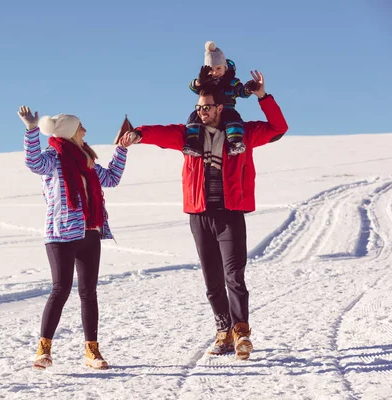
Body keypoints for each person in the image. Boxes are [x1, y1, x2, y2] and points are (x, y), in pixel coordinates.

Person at [119, 71, 288, 360]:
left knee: (234, 276)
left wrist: (262, 96)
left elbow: (278, 127)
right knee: (212, 279)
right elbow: (162, 133)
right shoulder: (189, 135)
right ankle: (223, 332)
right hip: (199, 215)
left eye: (207, 107)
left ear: (221, 108)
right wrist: (138, 134)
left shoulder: (244, 133)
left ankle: (241, 333)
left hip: (229, 214)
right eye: (199, 107)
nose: (202, 112)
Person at [18, 105, 128, 370]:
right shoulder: (52, 158)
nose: (85, 131)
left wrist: (122, 149)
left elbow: (111, 179)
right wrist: (31, 130)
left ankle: (92, 351)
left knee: (89, 293)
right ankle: (43, 350)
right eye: (81, 127)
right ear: (69, 132)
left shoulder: (87, 161)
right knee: (61, 289)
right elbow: (32, 163)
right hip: (60, 234)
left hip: (89, 232)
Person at [183, 41, 258, 157]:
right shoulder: (206, 82)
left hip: (227, 109)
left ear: (225, 67)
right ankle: (194, 143)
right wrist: (199, 82)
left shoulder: (231, 82)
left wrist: (248, 89)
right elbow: (193, 87)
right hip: (209, 112)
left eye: (218, 68)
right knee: (194, 116)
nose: (215, 72)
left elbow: (242, 92)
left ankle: (234, 142)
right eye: (211, 69)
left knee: (234, 117)